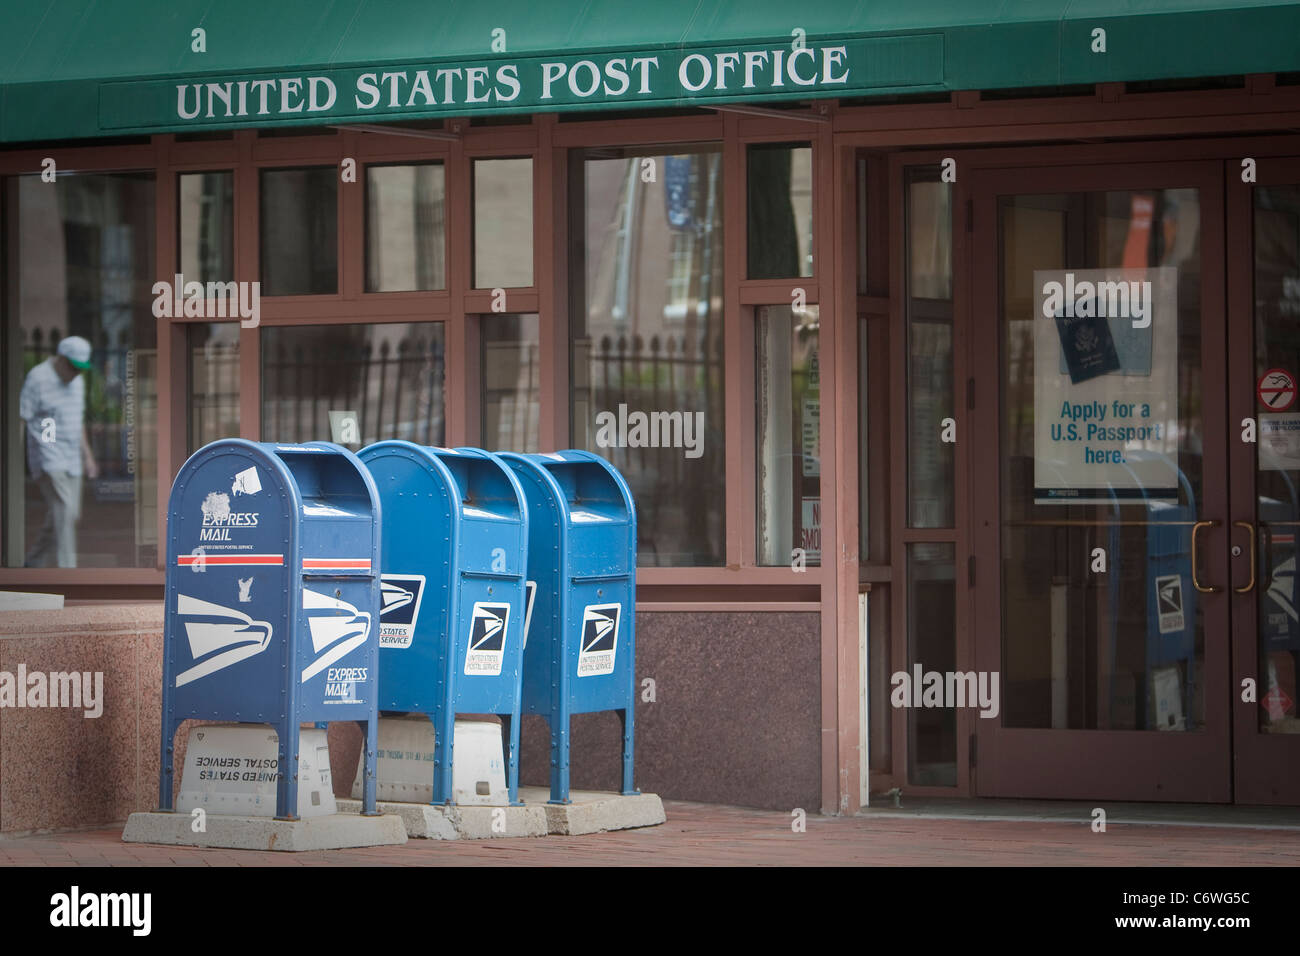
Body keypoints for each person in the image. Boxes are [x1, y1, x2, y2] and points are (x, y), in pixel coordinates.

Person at [19, 335, 98, 568]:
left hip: (72, 456)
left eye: (81, 370)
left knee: (66, 516)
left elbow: (77, 421)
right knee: (64, 511)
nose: (76, 374)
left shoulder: (78, 381)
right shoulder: (37, 378)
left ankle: (33, 563)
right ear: (61, 360)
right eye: (74, 368)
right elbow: (22, 418)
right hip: (47, 454)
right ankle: (68, 572)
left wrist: (88, 456)